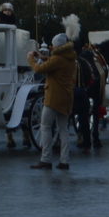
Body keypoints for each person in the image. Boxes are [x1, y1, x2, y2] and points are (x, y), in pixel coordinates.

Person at [29, 32, 77, 171]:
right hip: (67, 97)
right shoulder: (70, 58)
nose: (51, 47)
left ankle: (46, 159)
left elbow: (40, 69)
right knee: (64, 130)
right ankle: (64, 161)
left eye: (53, 45)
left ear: (57, 46)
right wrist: (42, 57)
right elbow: (53, 62)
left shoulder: (57, 59)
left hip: (53, 98)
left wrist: (31, 60)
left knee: (45, 126)